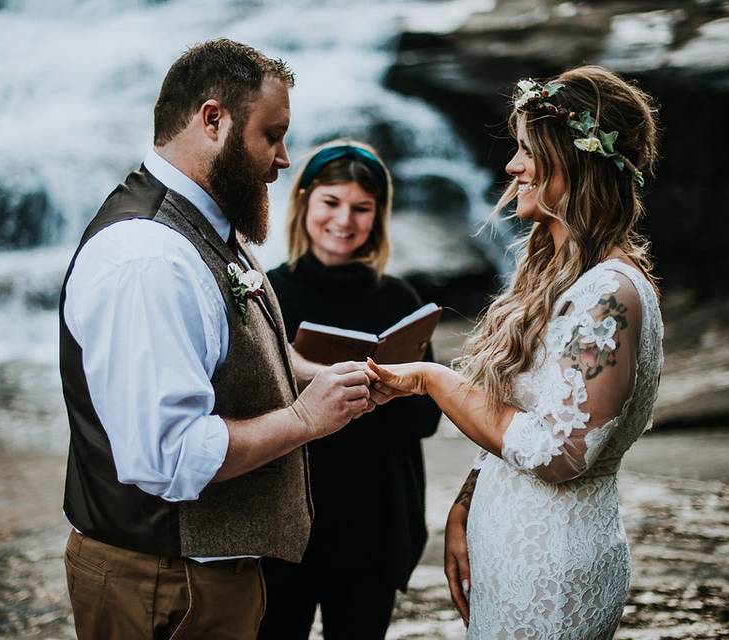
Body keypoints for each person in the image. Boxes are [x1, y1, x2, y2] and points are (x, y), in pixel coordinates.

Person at [59, 39, 377, 639]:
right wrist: (307, 418)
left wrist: (308, 373)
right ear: (213, 119)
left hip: (196, 581)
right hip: (162, 585)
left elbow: (218, 350)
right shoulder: (149, 257)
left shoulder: (201, 225)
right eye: (272, 135)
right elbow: (170, 455)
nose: (284, 158)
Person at [368, 65, 663, 638]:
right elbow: (532, 414)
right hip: (516, 560)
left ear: (576, 160)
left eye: (528, 150)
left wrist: (432, 379)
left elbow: (560, 452)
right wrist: (468, 502)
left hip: (550, 577)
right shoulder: (564, 278)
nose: (512, 166)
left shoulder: (610, 296)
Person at [257, 140, 442, 640]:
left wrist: (386, 386)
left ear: (378, 217)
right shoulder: (267, 293)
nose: (345, 220)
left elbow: (424, 421)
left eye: (362, 208)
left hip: (374, 523)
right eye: (331, 203)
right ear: (305, 204)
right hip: (287, 524)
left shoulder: (399, 299)